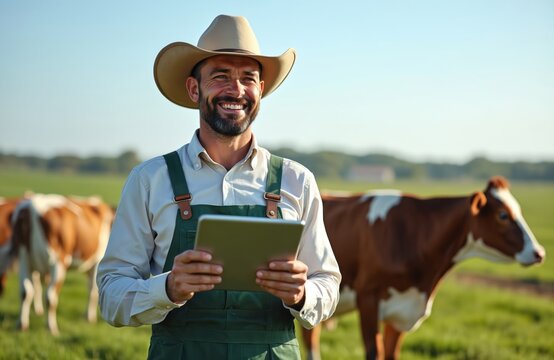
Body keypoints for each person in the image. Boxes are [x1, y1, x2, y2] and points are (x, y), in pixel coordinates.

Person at [97, 14, 341, 359]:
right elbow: (110, 295)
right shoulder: (149, 179)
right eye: (221, 76)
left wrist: (300, 294)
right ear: (194, 88)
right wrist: (167, 288)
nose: (236, 90)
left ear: (260, 92)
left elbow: (328, 285)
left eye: (248, 79)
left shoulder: (297, 180)